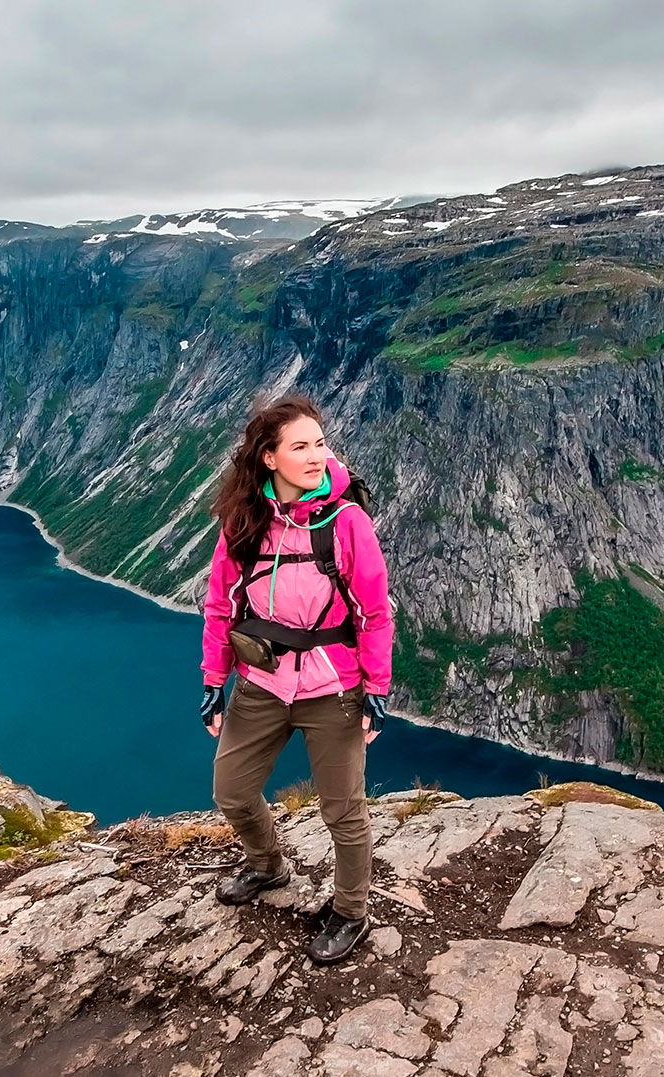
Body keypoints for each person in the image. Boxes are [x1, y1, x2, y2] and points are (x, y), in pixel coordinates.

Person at [199, 392, 394, 965]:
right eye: (300, 447)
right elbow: (220, 606)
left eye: (320, 443)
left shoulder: (347, 522)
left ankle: (351, 911)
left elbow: (375, 613)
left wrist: (376, 691)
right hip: (260, 680)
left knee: (343, 811)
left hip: (333, 687)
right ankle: (267, 866)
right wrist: (215, 679)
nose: (316, 456)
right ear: (268, 457)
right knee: (231, 791)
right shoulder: (244, 520)